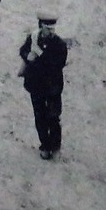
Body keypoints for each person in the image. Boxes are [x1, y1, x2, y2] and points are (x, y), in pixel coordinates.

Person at [19, 14, 69, 160]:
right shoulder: (33, 38)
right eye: (48, 28)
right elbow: (23, 50)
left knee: (53, 117)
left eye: (53, 29)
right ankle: (45, 146)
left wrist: (39, 54)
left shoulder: (59, 44)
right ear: (41, 26)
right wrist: (27, 54)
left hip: (52, 86)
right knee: (39, 117)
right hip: (35, 84)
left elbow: (57, 64)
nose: (51, 31)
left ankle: (55, 147)